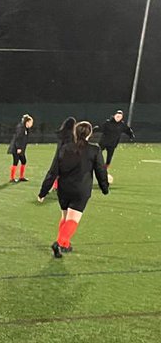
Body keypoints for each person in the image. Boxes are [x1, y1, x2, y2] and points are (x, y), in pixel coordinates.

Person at [38, 120, 108, 258]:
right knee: (73, 219)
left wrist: (43, 191)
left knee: (65, 217)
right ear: (90, 134)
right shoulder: (94, 150)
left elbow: (53, 172)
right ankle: (59, 243)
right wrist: (104, 187)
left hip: (63, 189)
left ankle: (64, 244)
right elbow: (100, 171)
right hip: (81, 190)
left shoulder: (64, 148)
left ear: (75, 133)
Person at [98, 109, 134, 178]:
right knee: (97, 154)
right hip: (103, 143)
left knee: (109, 160)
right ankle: (92, 167)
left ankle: (104, 172)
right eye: (117, 116)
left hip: (112, 144)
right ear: (114, 116)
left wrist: (131, 135)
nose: (118, 118)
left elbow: (128, 130)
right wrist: (92, 131)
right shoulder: (108, 123)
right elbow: (99, 128)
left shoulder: (122, 125)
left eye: (120, 117)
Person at [8, 114, 33, 183]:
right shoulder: (21, 128)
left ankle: (21, 177)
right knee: (15, 162)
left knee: (23, 161)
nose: (31, 124)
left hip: (20, 149)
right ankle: (12, 178)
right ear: (27, 122)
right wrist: (18, 148)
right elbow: (18, 138)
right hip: (16, 148)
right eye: (31, 122)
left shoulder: (25, 128)